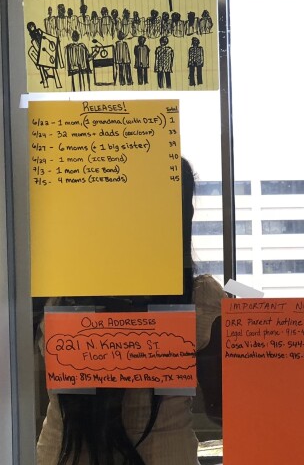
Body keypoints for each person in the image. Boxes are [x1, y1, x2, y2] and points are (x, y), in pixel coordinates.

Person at [36, 158, 226, 465]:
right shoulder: (200, 297)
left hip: (65, 453)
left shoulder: (56, 291)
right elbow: (221, 408)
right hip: (161, 455)